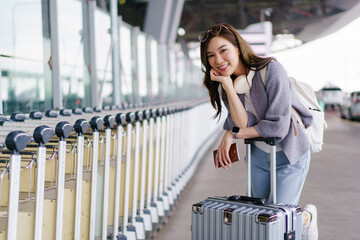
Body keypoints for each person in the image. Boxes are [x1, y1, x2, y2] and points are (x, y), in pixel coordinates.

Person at [199, 23, 318, 240]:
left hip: (290, 155)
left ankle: (307, 218)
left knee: (278, 220)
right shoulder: (230, 84)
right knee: (259, 219)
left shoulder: (272, 70)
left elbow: (278, 127)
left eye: (223, 50)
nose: (218, 60)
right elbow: (242, 123)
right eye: (211, 55)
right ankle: (301, 220)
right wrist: (226, 84)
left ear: (237, 47)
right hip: (258, 157)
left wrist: (232, 133)